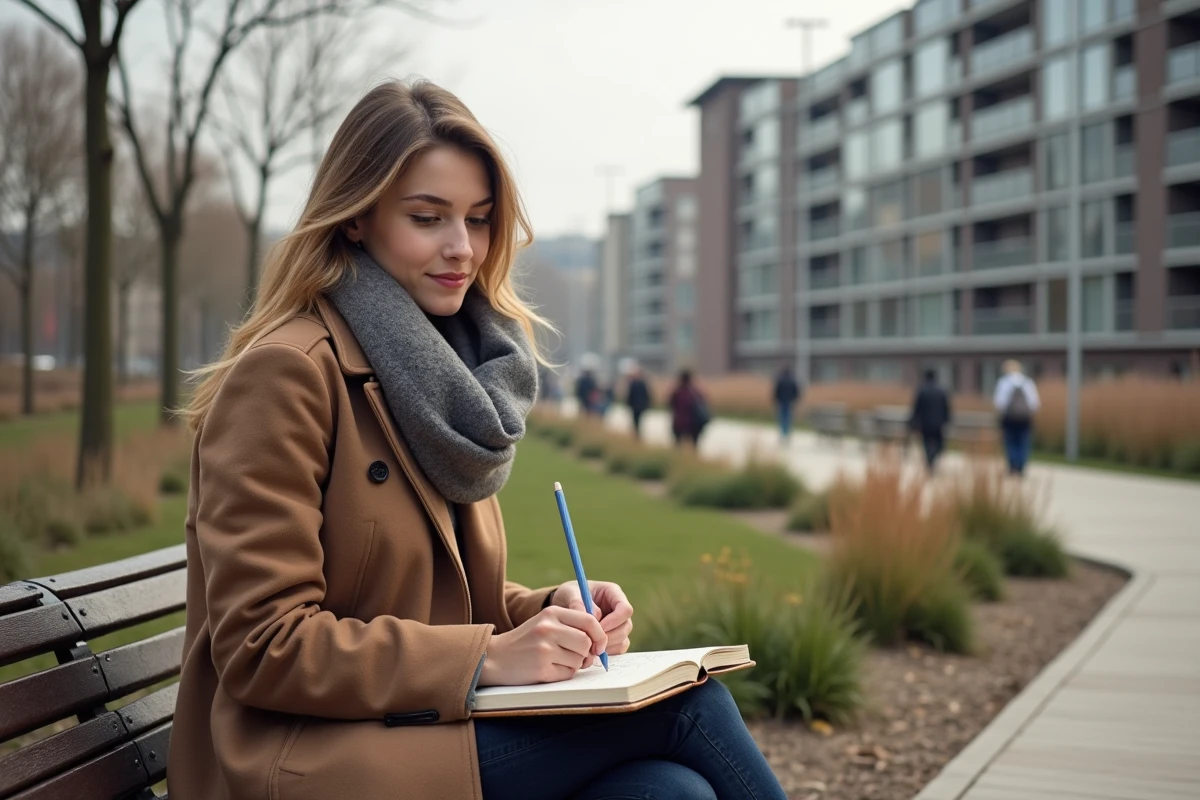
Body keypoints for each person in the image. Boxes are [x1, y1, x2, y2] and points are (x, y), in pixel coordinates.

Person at [168, 80, 786, 800]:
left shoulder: (450, 384)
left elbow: (443, 603)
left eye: (480, 219)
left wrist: (552, 614)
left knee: (667, 792)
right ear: (357, 218)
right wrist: (489, 657)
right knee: (689, 706)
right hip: (304, 760)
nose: (462, 248)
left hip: (413, 728)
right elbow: (264, 646)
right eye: (428, 217)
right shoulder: (289, 373)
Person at [994, 359, 1041, 476]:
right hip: (1025, 419)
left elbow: (999, 403)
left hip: (1009, 418)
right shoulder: (1027, 382)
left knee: (1010, 441)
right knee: (1023, 441)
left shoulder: (1004, 382)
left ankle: (1013, 465)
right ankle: (1021, 466)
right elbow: (1035, 403)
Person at [909, 369, 952, 472]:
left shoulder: (921, 390)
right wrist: (947, 421)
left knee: (926, 443)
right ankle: (933, 458)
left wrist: (913, 422)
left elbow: (916, 409)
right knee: (939, 444)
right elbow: (947, 408)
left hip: (925, 424)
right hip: (939, 423)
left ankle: (930, 459)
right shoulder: (942, 391)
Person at [669, 369, 709, 447]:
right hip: (694, 423)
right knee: (695, 445)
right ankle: (692, 458)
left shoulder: (677, 392)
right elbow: (704, 404)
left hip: (679, 423)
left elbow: (670, 405)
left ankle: (679, 458)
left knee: (678, 446)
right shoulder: (696, 392)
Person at [772, 365, 802, 442]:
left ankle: (782, 434)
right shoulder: (792, 380)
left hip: (782, 402)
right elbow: (796, 392)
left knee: (782, 418)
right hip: (790, 402)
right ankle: (787, 434)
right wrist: (795, 400)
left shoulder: (780, 380)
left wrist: (776, 400)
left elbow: (776, 392)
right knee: (788, 419)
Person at [625, 365, 652, 439]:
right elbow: (647, 394)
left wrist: (628, 404)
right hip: (640, 405)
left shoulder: (633, 384)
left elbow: (630, 395)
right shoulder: (643, 384)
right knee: (638, 420)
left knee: (636, 420)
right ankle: (637, 433)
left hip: (635, 405)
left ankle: (637, 433)